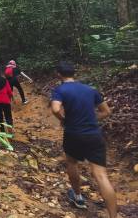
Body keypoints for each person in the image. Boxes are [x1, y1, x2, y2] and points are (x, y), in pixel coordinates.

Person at [50, 61, 116, 217]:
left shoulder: (60, 90)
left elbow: (55, 108)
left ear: (58, 74)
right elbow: (106, 112)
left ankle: (78, 197)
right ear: (75, 73)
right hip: (93, 134)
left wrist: (64, 119)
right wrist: (92, 119)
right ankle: (113, 215)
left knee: (72, 162)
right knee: (101, 175)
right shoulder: (90, 90)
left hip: (73, 133)